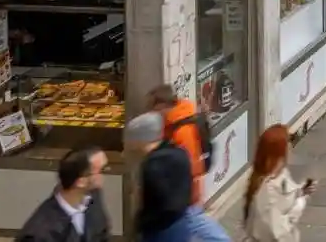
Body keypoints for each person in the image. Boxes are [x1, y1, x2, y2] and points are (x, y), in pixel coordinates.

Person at [149, 84, 230, 242]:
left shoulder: (181, 131)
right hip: (183, 193)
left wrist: (190, 195)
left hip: (186, 194)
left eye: (154, 108)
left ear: (163, 105)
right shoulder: (175, 122)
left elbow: (192, 166)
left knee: (198, 224)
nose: (152, 113)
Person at [16, 146, 111, 242]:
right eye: (101, 170)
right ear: (81, 182)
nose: (106, 172)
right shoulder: (39, 233)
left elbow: (102, 234)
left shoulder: (93, 196)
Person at [127, 112, 192, 242]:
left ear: (141, 138)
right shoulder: (180, 153)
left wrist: (141, 224)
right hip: (181, 223)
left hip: (160, 231)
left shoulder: (151, 165)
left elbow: (157, 202)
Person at [244, 124, 313, 242]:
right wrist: (299, 204)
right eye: (288, 141)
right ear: (279, 151)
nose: (291, 146)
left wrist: (301, 191)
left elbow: (285, 199)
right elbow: (278, 233)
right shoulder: (266, 190)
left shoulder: (281, 173)